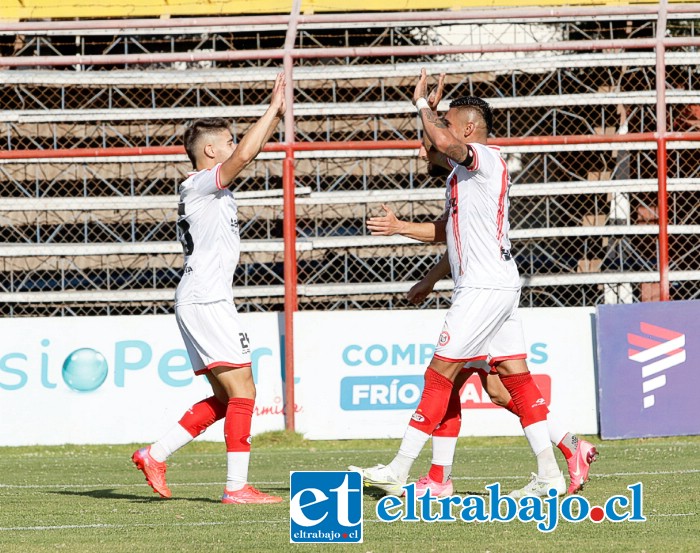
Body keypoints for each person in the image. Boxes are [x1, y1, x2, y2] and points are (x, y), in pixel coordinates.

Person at [352, 68, 574, 499]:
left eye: (450, 125)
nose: (438, 138)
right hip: (495, 284)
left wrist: (422, 106)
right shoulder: (461, 177)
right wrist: (402, 230)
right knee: (515, 379)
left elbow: (442, 143)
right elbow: (446, 231)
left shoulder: (485, 158)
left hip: (484, 287)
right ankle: (549, 475)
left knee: (440, 375)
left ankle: (399, 471)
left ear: (469, 130)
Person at [131, 73, 287, 505]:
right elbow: (246, 154)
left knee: (225, 397)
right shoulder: (201, 184)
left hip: (202, 297)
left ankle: (154, 454)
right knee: (244, 392)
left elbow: (245, 152)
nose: (234, 145)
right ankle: (237, 488)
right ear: (211, 151)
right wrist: (271, 111)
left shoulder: (206, 189)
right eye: (228, 141)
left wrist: (275, 115)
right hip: (206, 298)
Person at [400, 246, 598, 497]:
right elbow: (453, 241)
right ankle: (572, 445)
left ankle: (437, 477)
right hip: (488, 299)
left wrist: (401, 227)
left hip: (479, 305)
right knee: (499, 393)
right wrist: (429, 280)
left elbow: (446, 231)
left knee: (446, 384)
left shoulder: (471, 209)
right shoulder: (469, 221)